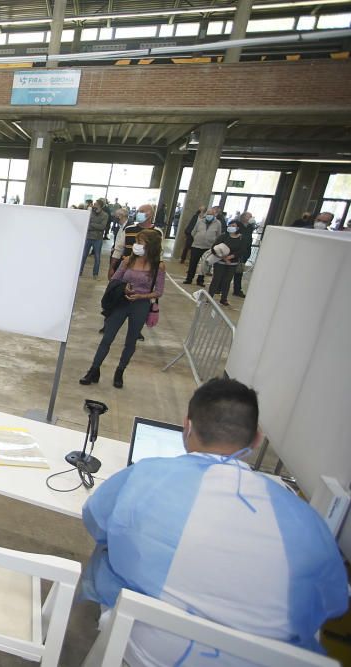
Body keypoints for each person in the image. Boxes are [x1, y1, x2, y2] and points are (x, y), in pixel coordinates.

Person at [81, 378, 348, 667]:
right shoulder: (306, 522)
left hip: (142, 654)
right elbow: (332, 601)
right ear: (257, 439)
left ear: (187, 427)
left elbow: (94, 519)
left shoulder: (144, 476)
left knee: (106, 558)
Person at [82, 229, 165, 389]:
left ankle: (120, 371)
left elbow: (159, 291)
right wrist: (124, 288)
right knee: (107, 337)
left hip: (140, 306)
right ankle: (94, 369)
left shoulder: (158, 267)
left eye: (140, 242)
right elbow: (114, 279)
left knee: (131, 341)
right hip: (121, 302)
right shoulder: (127, 261)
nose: (136, 245)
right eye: (137, 242)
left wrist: (141, 296)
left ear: (151, 246)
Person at [109, 203, 161, 280]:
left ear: (150, 214)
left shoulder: (157, 232)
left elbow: (159, 253)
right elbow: (118, 249)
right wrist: (112, 267)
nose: (139, 213)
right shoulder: (128, 229)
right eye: (138, 211)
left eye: (142, 211)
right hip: (126, 268)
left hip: (146, 273)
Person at [208, 221, 246, 308]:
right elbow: (214, 248)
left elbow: (242, 250)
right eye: (230, 225)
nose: (231, 227)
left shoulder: (241, 239)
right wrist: (224, 258)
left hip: (233, 264)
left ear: (238, 228)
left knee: (227, 281)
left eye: (233, 226)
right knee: (216, 279)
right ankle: (209, 297)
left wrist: (231, 257)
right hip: (220, 262)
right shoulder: (223, 236)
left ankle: (223, 299)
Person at [184, 206, 222, 285]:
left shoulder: (218, 223)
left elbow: (218, 235)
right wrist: (198, 238)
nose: (209, 215)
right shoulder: (200, 221)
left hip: (208, 247)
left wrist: (212, 241)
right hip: (196, 246)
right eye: (208, 214)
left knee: (204, 265)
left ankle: (200, 280)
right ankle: (189, 279)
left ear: (214, 215)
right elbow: (193, 232)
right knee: (193, 263)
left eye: (211, 214)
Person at [81, 198, 109, 279]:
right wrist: (94, 225)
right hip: (88, 237)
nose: (94, 205)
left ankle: (95, 274)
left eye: (96, 204)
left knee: (97, 257)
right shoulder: (90, 213)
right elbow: (86, 224)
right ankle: (80, 271)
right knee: (83, 255)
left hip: (98, 239)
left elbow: (102, 227)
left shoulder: (105, 215)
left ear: (100, 206)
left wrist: (91, 224)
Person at [231, 212, 255, 298]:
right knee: (229, 270)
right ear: (244, 217)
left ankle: (237, 290)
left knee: (239, 271)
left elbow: (249, 240)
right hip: (236, 251)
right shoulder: (237, 225)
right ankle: (220, 287)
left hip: (245, 252)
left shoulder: (250, 227)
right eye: (249, 216)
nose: (251, 218)